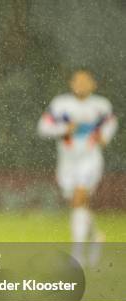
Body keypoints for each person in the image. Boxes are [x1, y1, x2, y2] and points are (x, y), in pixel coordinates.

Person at [37, 69, 117, 267]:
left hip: (90, 159)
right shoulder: (60, 104)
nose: (81, 85)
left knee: (80, 198)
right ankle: (96, 235)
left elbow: (111, 123)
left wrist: (105, 136)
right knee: (77, 204)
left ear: (93, 84)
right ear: (71, 83)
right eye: (77, 81)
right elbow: (43, 128)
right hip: (67, 162)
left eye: (85, 81)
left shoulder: (101, 105)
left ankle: (78, 255)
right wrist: (64, 129)